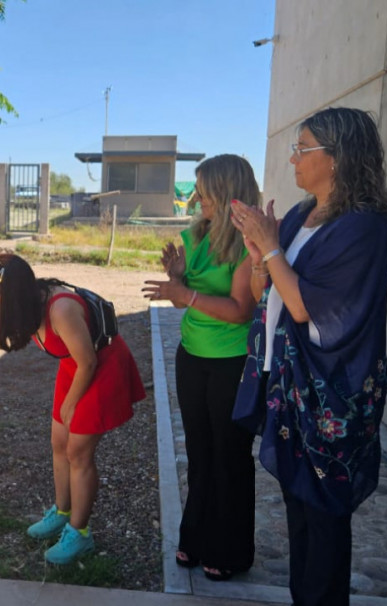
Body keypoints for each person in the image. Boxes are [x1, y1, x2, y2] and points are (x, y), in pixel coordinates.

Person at [230, 107, 387, 606]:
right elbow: (271, 293)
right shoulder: (302, 215)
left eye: (303, 148)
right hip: (290, 387)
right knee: (299, 515)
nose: (293, 157)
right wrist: (261, 257)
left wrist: (271, 248)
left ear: (338, 158)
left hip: (331, 396)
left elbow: (306, 308)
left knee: (324, 523)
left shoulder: (365, 229)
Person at [0, 253, 145, 565]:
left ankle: (79, 533)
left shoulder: (61, 309)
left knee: (78, 453)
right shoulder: (24, 304)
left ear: (9, 293)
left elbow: (89, 362)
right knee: (59, 444)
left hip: (100, 368)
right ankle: (62, 512)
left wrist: (71, 405)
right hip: (75, 367)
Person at [142, 154, 260, 581]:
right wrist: (179, 277)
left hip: (231, 363)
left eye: (205, 193)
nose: (198, 200)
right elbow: (189, 291)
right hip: (192, 357)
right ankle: (194, 537)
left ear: (229, 193)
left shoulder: (248, 244)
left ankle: (230, 549)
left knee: (229, 456)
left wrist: (184, 296)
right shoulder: (195, 236)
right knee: (199, 453)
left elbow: (241, 310)